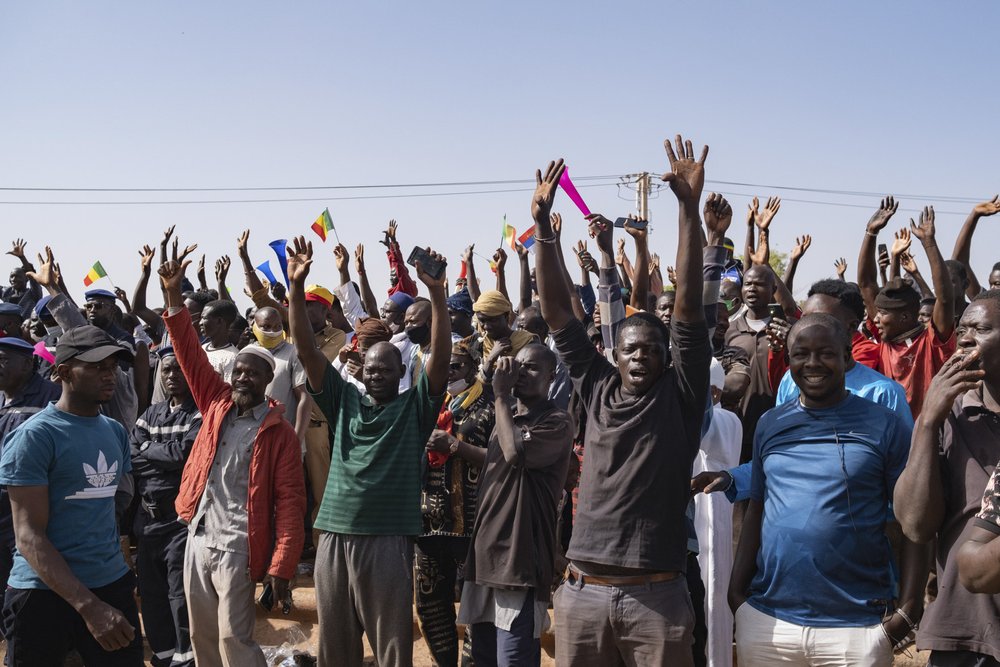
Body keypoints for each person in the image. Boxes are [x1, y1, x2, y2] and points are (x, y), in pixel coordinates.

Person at [536, 136, 712, 666]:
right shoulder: (596, 385)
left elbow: (685, 310)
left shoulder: (681, 396)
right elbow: (556, 315)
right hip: (583, 591)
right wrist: (544, 230)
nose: (641, 357)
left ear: (667, 357)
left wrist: (687, 208)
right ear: (617, 353)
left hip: (655, 596)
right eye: (631, 348)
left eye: (653, 349)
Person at [285, 236, 450, 667]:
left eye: (386, 369)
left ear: (401, 373)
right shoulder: (344, 401)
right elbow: (305, 349)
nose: (377, 374)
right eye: (370, 367)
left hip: (387, 539)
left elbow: (441, 360)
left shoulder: (415, 408)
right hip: (334, 536)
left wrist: (435, 293)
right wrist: (296, 289)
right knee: (335, 648)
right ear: (360, 367)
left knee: (392, 646)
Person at [729, 314, 912, 666]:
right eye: (801, 354)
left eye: (825, 353)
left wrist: (909, 608)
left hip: (856, 627)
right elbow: (757, 507)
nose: (812, 364)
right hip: (770, 624)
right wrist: (737, 596)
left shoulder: (884, 424)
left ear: (847, 357)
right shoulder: (770, 423)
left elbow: (913, 521)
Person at [159, 257, 305, 667]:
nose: (242, 378)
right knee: (203, 636)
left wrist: (282, 564)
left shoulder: (280, 433)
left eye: (252, 374)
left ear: (267, 381)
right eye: (238, 371)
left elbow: (291, 502)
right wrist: (173, 294)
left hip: (240, 546)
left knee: (233, 638)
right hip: (198, 536)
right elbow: (188, 352)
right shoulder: (216, 403)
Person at [0, 325, 142, 665]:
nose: (109, 375)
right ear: (63, 372)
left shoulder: (114, 431)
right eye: (96, 367)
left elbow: (111, 506)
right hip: (42, 596)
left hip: (110, 587)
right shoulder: (34, 437)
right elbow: (29, 537)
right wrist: (89, 608)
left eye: (112, 367)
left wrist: (115, 578)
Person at [895, 290, 1000, 665]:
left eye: (982, 329)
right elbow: (915, 525)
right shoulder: (950, 414)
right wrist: (928, 421)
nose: (966, 338)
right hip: (964, 629)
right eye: (963, 330)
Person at [457, 345, 572, 666]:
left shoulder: (557, 421)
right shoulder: (509, 418)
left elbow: (514, 454)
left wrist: (499, 397)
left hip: (518, 561)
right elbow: (497, 458)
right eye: (517, 366)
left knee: (513, 659)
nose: (521, 373)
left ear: (552, 376)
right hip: (485, 559)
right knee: (483, 658)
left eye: (532, 368)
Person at [417, 338, 494, 667]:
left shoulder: (491, 405)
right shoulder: (427, 401)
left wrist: (456, 446)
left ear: (474, 366)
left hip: (476, 528)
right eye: (442, 366)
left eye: (456, 366)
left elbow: (508, 461)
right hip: (428, 524)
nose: (448, 373)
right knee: (431, 606)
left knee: (478, 609)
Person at [129, 347, 201, 667]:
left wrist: (149, 449)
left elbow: (188, 458)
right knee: (152, 593)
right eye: (167, 370)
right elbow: (134, 461)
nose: (172, 376)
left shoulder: (200, 413)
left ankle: (185, 658)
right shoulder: (149, 414)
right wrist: (160, 456)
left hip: (180, 522)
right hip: (147, 522)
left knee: (179, 593)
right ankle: (162, 655)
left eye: (179, 370)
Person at [857, 199, 956, 418]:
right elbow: (866, 284)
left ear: (904, 316)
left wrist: (929, 243)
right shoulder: (885, 340)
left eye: (882, 314)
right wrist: (870, 233)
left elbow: (946, 299)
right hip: (891, 436)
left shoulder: (933, 340)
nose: (877, 319)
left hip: (932, 437)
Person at [0, 336, 62, 608]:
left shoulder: (52, 397)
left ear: (27, 364)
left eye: (2, 360)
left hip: (32, 502)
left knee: (30, 573)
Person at [691, 358, 742, 667]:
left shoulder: (725, 420)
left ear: (712, 393)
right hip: (693, 520)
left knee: (711, 601)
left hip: (710, 518)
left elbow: (702, 425)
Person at [199, 299, 240, 381]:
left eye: (204, 318)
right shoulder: (202, 348)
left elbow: (229, 389)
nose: (200, 323)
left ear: (219, 321)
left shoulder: (232, 357)